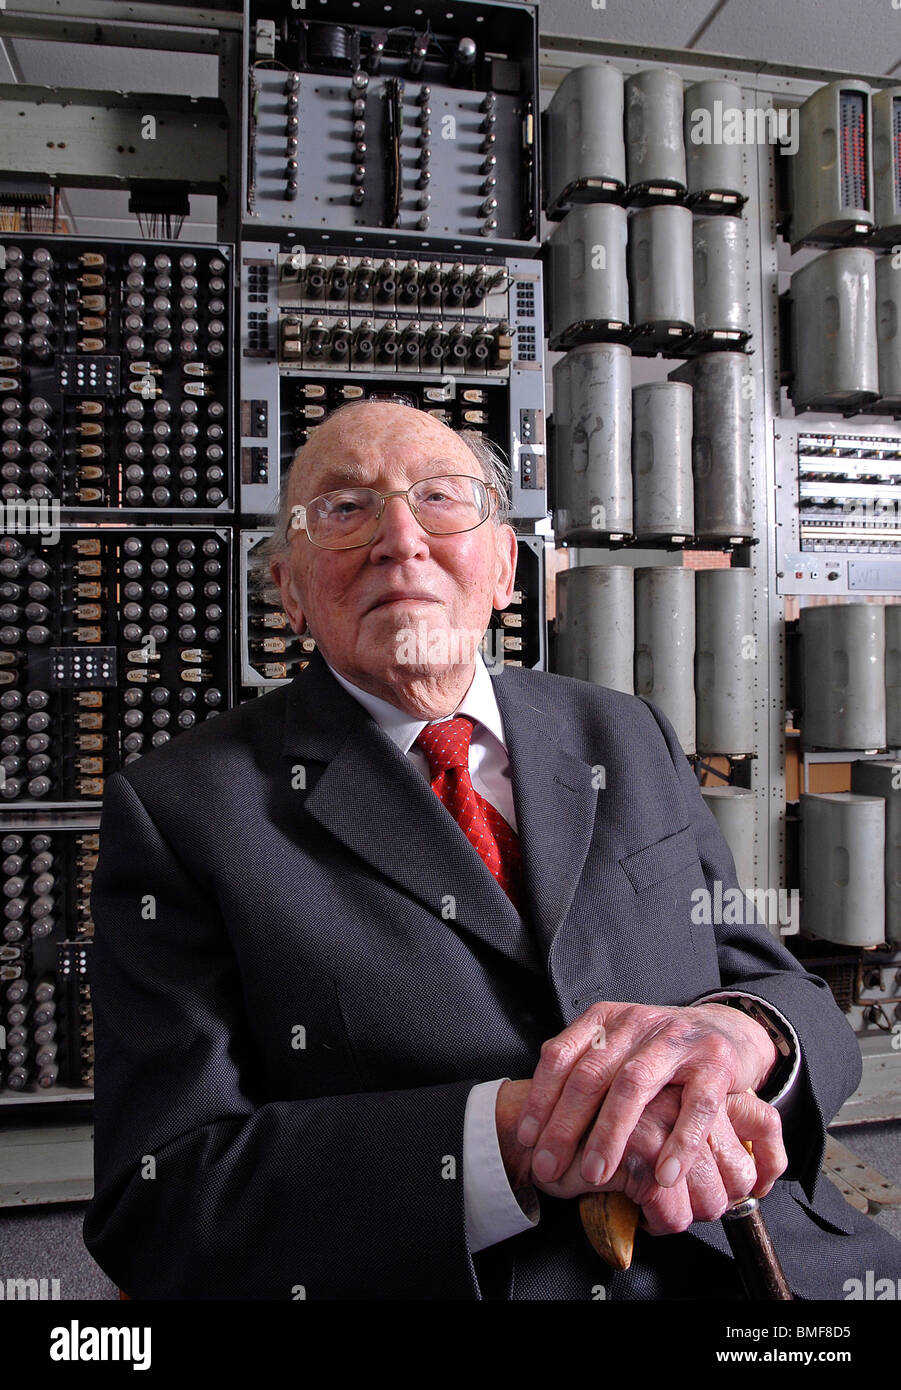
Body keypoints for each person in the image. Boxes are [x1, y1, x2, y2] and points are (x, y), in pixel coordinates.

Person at [83, 399, 901, 1300]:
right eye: (345, 510)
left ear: (504, 565)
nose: (399, 539)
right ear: (290, 592)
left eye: (439, 498)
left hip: (765, 1261)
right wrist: (513, 1136)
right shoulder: (182, 810)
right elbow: (160, 1200)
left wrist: (739, 1035)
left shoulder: (623, 732)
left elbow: (785, 992)